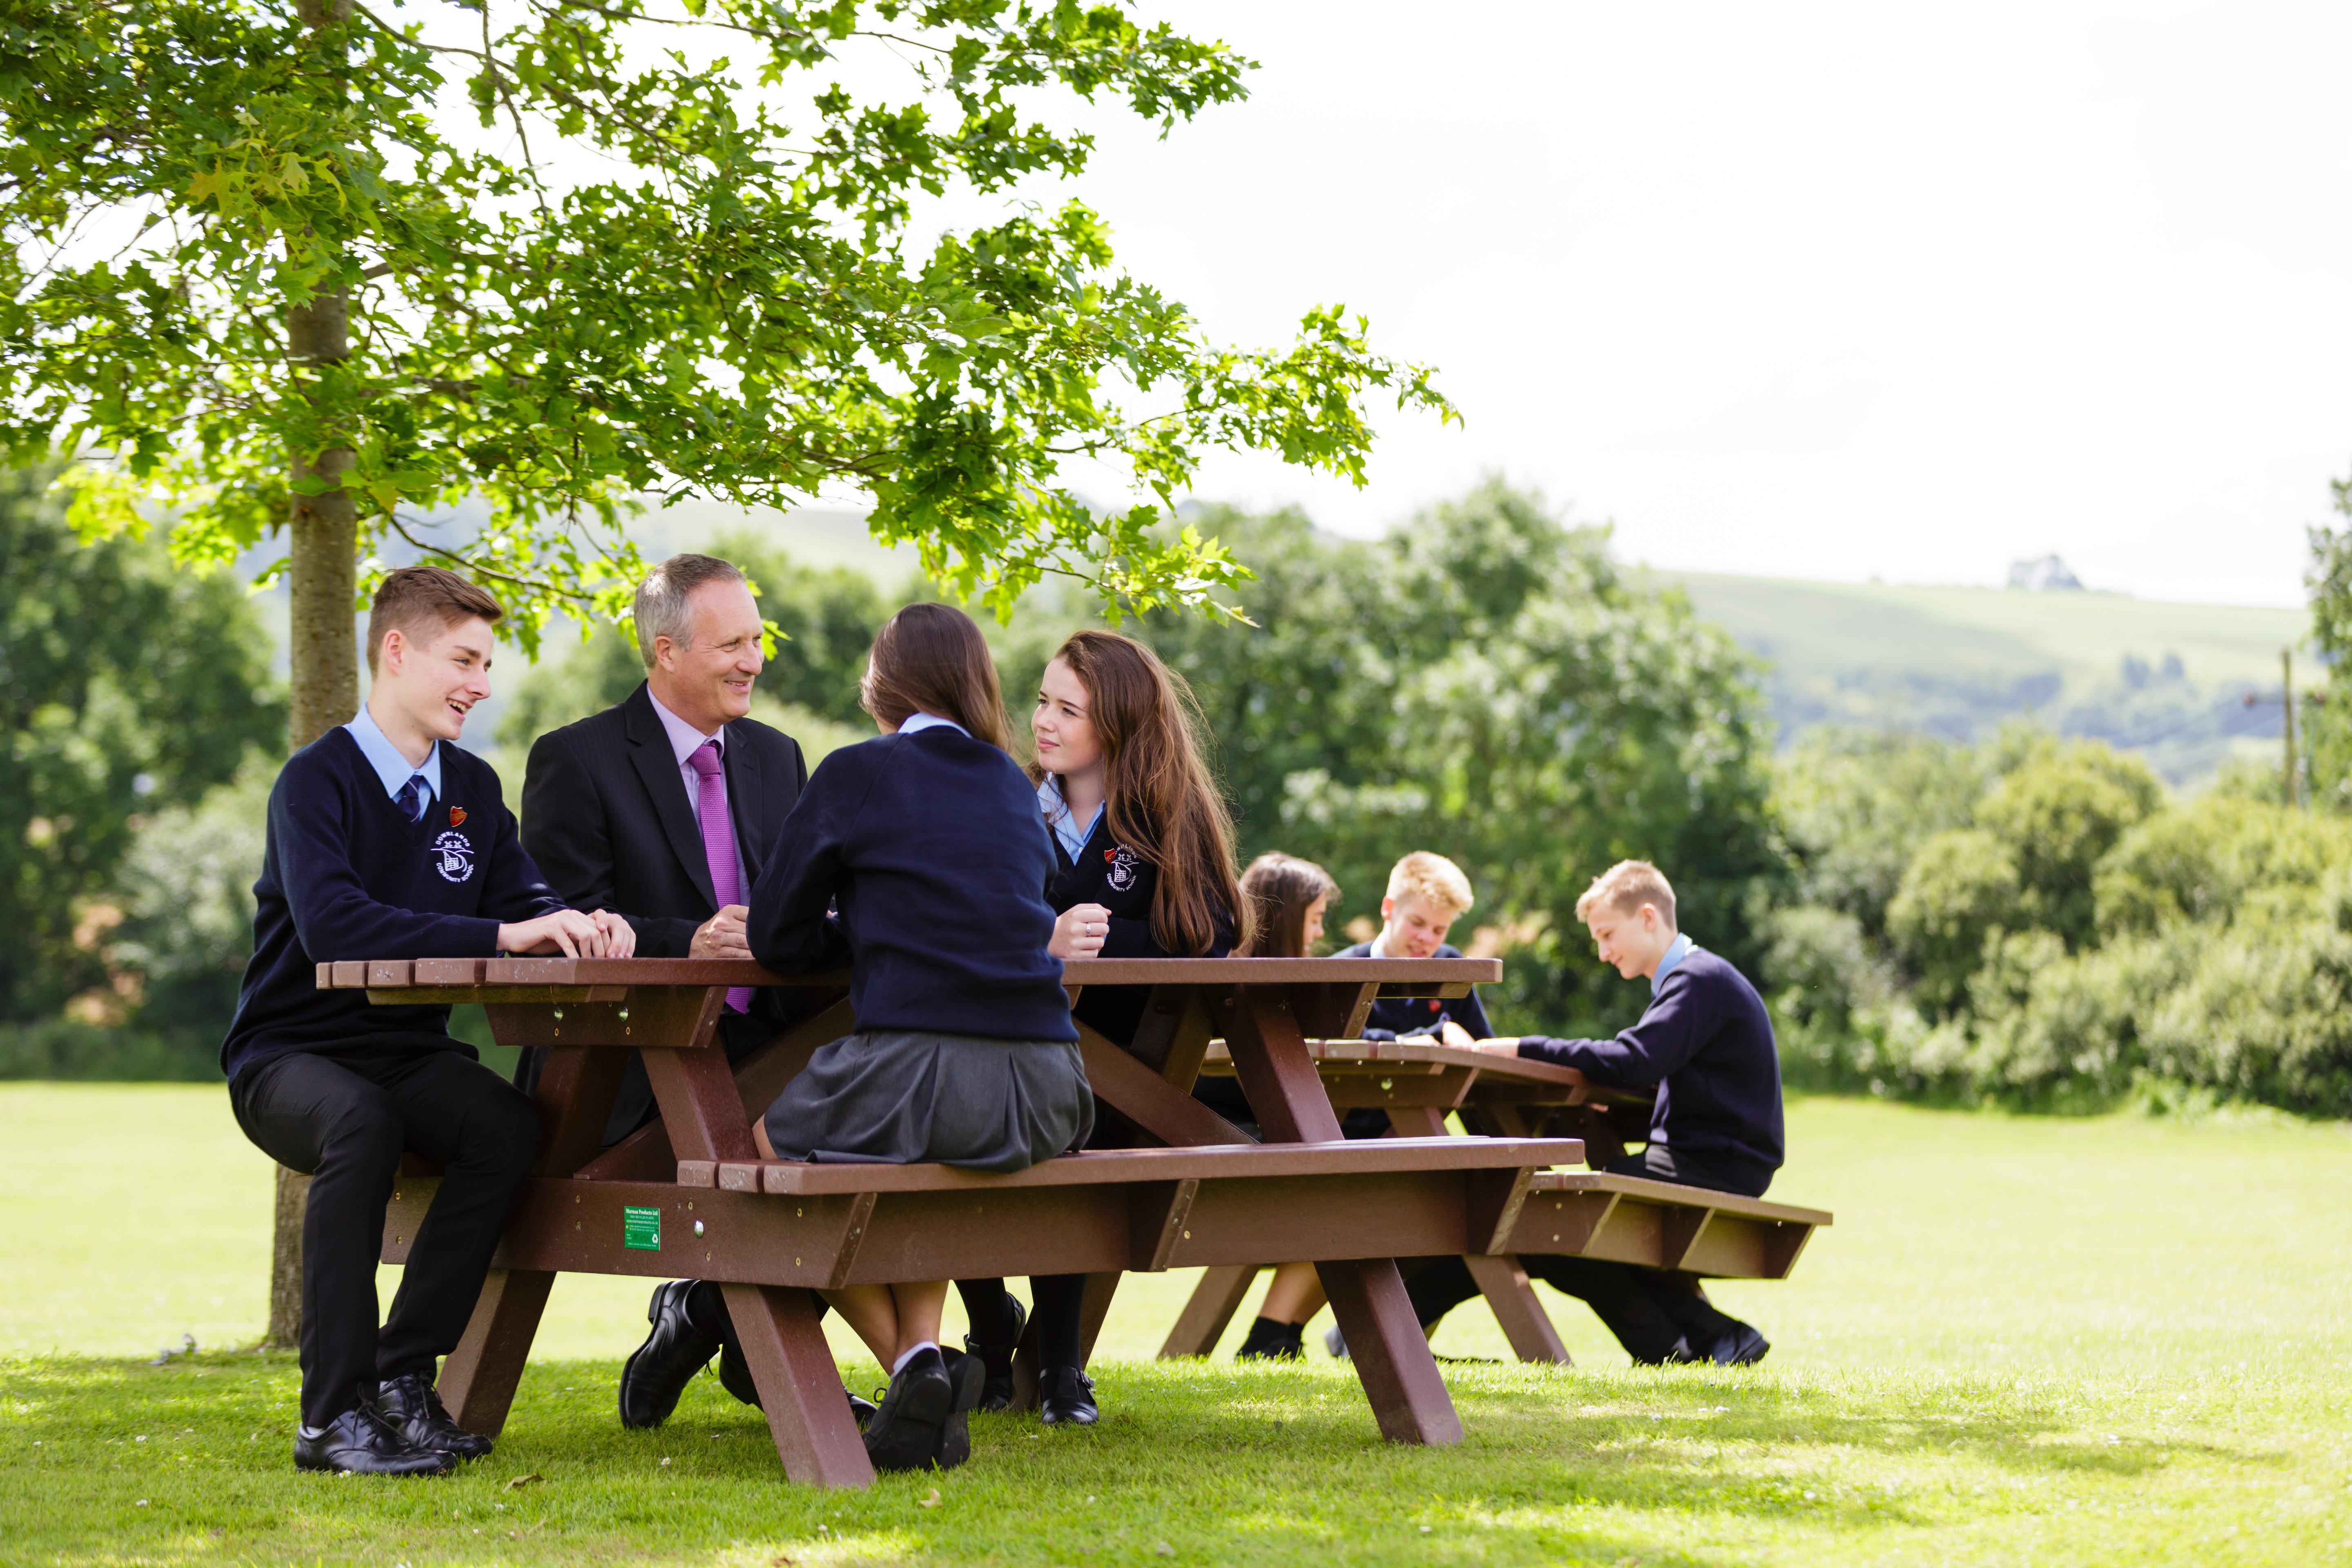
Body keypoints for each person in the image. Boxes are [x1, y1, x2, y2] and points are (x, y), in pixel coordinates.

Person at [221, 567, 634, 1477]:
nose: (481, 684)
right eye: (465, 660)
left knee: (506, 1126)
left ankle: (403, 1380)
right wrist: (505, 928)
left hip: (406, 1055)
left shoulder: (475, 791)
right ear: (396, 651)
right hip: (288, 1057)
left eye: (487, 664)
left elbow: (525, 900)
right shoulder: (313, 782)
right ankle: (330, 1416)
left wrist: (580, 923)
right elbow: (337, 928)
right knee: (361, 1124)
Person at [704, 601, 1093, 1472]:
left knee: (757, 1167)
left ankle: (913, 1360)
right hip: (1051, 1087)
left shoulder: (859, 772)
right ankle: (920, 1362)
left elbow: (777, 934)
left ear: (881, 685)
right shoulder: (1007, 780)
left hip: (926, 1065)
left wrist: (852, 930)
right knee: (907, 1173)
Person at [513, 553, 868, 1430]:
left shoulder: (778, 757)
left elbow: (804, 903)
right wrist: (689, 939)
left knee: (870, 1117)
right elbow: (563, 921)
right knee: (803, 1133)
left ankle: (708, 1319)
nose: (754, 661)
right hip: (628, 1068)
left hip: (770, 1047)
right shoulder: (575, 759)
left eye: (758, 641)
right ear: (666, 651)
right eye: (733, 644)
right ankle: (755, 1354)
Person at [998, 627, 1249, 1425]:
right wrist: (1043, 940)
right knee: (960, 1121)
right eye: (1042, 701)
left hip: (1128, 1073)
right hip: (1001, 1045)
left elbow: (1211, 932)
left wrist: (1097, 936)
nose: (1043, 721)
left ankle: (1062, 1370)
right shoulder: (1005, 803)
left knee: (1075, 1135)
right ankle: (988, 1331)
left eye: (1068, 709)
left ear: (1119, 725)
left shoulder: (1164, 815)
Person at [1425, 858, 1785, 1366]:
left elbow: (1633, 1061)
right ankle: (1704, 1337)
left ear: (1647, 917)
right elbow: (1661, 1076)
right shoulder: (1696, 979)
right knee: (1549, 1213)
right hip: (1710, 1158)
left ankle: (1685, 1343)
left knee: (1547, 1216)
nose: (1602, 952)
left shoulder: (1698, 979)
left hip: (1712, 1164)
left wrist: (1515, 1048)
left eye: (1607, 934)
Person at [1234, 849, 1491, 1359]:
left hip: (1410, 1133)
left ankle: (1375, 1337)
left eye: (1440, 931)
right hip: (1336, 1130)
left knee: (1447, 1177)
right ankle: (1294, 1333)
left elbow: (1478, 1057)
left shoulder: (1453, 973)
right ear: (1389, 907)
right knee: (1373, 1182)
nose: (1427, 940)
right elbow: (1329, 1047)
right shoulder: (1339, 972)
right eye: (1418, 923)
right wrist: (1427, 1037)